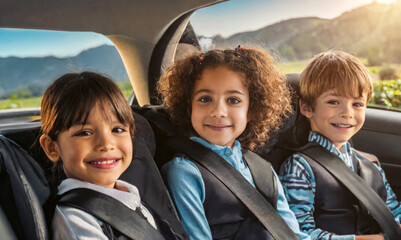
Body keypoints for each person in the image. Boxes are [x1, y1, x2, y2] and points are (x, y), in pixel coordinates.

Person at [157, 46, 310, 240]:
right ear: (189, 107)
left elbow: (293, 235)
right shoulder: (185, 172)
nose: (218, 111)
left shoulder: (263, 170)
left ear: (252, 109)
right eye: (205, 99)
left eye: (233, 100)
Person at [279, 51, 401, 240]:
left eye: (357, 104)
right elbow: (300, 234)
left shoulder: (370, 166)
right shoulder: (300, 167)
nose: (347, 112)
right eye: (334, 102)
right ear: (307, 108)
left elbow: (394, 213)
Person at [39, 72, 159, 239]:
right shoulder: (77, 219)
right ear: (52, 148)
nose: (106, 144)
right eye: (85, 132)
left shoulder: (130, 196)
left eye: (117, 129)